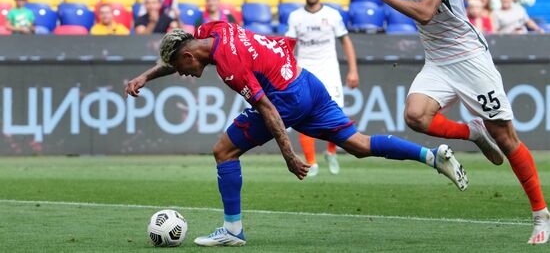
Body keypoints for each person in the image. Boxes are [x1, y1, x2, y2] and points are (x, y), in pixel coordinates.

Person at [125, 22, 468, 246]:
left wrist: (290, 155)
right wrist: (146, 76)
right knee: (360, 145)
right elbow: (176, 58)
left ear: (188, 55)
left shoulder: (230, 67)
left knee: (224, 151)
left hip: (286, 98)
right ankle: (431, 156)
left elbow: (270, 111)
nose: (183, 74)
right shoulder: (211, 30)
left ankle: (232, 230)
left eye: (181, 68)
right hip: (307, 81)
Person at [360, 0, 550, 244]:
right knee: (416, 116)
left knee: (506, 138)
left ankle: (540, 214)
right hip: (437, 60)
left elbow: (425, 12)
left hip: (469, 59)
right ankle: (473, 133)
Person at [286, 0, 359, 176]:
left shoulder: (332, 15)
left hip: (329, 71)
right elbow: (289, 45)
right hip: (305, 71)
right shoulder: (295, 16)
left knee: (334, 115)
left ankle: (331, 152)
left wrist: (353, 70)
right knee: (302, 113)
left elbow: (346, 41)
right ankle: (312, 162)